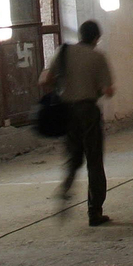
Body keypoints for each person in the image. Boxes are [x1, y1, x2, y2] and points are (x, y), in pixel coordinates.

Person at [41, 19, 115, 225]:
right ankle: (95, 211)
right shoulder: (97, 57)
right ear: (96, 38)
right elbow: (108, 91)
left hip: (67, 112)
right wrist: (97, 87)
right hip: (88, 111)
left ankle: (66, 187)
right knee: (94, 161)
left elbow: (45, 80)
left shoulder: (63, 52)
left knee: (74, 158)